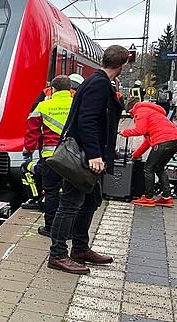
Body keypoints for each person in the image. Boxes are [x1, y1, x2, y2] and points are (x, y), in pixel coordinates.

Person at [48, 45, 129, 274]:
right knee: (70, 204)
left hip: (88, 155)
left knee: (91, 201)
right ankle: (58, 254)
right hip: (84, 158)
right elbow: (87, 120)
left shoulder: (97, 81)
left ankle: (80, 248)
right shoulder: (99, 84)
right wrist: (94, 154)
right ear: (122, 65)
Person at [24, 75, 73, 237]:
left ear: (53, 89)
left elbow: (32, 131)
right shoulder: (76, 105)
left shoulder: (43, 106)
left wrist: (28, 150)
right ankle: (69, 229)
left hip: (50, 157)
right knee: (70, 192)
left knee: (51, 192)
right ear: (69, 89)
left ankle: (50, 227)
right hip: (72, 156)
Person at [121, 97, 177, 207]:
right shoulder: (152, 112)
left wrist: (125, 132)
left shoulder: (140, 111)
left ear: (131, 110)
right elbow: (147, 142)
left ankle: (148, 197)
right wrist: (135, 156)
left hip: (163, 142)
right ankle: (167, 197)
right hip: (175, 141)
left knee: (148, 168)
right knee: (159, 168)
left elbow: (140, 130)